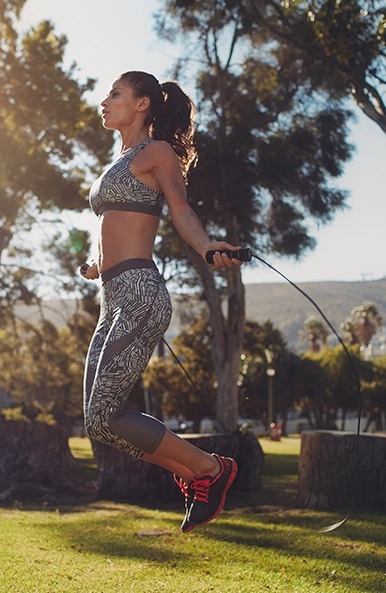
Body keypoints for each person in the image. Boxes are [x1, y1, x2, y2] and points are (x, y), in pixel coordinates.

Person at [79, 70, 241, 533]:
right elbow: (120, 223)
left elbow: (180, 210)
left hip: (140, 297)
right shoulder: (123, 159)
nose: (105, 101)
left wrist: (209, 247)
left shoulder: (157, 152)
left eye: (116, 94)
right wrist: (97, 264)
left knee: (106, 412)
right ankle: (195, 474)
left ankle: (212, 469)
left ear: (143, 103)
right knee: (98, 420)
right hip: (113, 300)